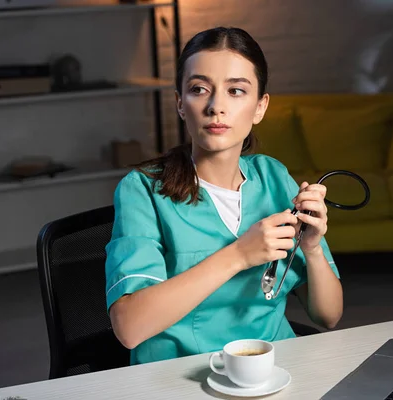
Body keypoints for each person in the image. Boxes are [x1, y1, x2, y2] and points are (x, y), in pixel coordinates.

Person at [104, 26, 343, 365]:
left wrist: (313, 248)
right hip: (178, 377)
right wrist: (239, 255)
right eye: (199, 89)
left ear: (260, 107)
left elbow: (328, 317)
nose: (216, 106)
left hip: (272, 370)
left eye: (236, 91)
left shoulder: (274, 177)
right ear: (180, 104)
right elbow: (129, 328)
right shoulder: (143, 189)